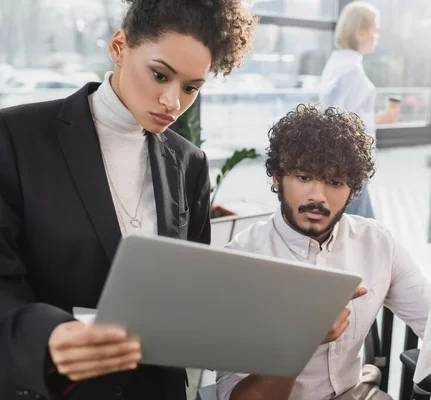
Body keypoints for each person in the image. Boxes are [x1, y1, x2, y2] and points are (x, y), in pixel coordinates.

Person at [0, 1, 256, 399]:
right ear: (119, 47)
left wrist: (286, 325)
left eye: (191, 88)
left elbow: (187, 295)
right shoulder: (15, 137)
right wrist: (48, 336)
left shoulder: (190, 163)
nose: (173, 102)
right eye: (160, 75)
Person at [216, 105, 431, 400]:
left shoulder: (377, 243)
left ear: (353, 190)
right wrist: (299, 342)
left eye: (335, 182)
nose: (318, 195)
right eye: (304, 177)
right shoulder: (242, 261)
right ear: (277, 178)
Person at [319, 1, 399, 219]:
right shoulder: (351, 70)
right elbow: (341, 123)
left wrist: (379, 118)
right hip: (348, 166)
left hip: (341, 164)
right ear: (362, 32)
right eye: (376, 30)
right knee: (362, 231)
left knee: (357, 229)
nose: (377, 36)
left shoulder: (337, 63)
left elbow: (348, 114)